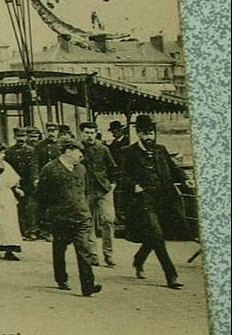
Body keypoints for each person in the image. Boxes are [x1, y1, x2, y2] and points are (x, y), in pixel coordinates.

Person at [120, 115, 186, 290]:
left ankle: (138, 259)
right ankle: (171, 275)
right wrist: (134, 185)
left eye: (151, 133)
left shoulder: (161, 150)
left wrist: (186, 179)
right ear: (138, 133)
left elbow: (174, 169)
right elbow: (121, 177)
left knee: (155, 235)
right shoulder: (128, 152)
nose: (149, 137)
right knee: (156, 235)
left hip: (164, 199)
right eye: (145, 134)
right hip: (143, 201)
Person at [37, 139, 102, 297]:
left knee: (84, 250)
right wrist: (45, 217)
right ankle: (61, 278)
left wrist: (84, 208)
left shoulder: (81, 169)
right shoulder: (50, 169)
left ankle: (88, 286)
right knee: (60, 249)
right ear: (67, 151)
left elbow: (85, 190)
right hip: (60, 218)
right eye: (78, 152)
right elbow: (41, 194)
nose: (81, 155)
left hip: (81, 217)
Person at [79, 122, 118, 267]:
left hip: (103, 189)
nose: (90, 136)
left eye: (92, 133)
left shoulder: (103, 149)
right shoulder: (77, 149)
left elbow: (113, 168)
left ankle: (108, 254)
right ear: (82, 133)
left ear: (96, 133)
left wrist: (112, 184)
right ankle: (93, 255)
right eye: (87, 133)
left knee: (108, 220)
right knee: (87, 222)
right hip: (85, 190)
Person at [5, 127, 39, 240]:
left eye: (23, 136)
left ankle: (31, 231)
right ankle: (20, 231)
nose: (21, 139)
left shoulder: (31, 151)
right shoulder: (9, 152)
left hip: (28, 183)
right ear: (14, 137)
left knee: (30, 207)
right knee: (17, 207)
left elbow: (34, 166)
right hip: (14, 183)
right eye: (19, 136)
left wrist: (35, 179)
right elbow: (7, 168)